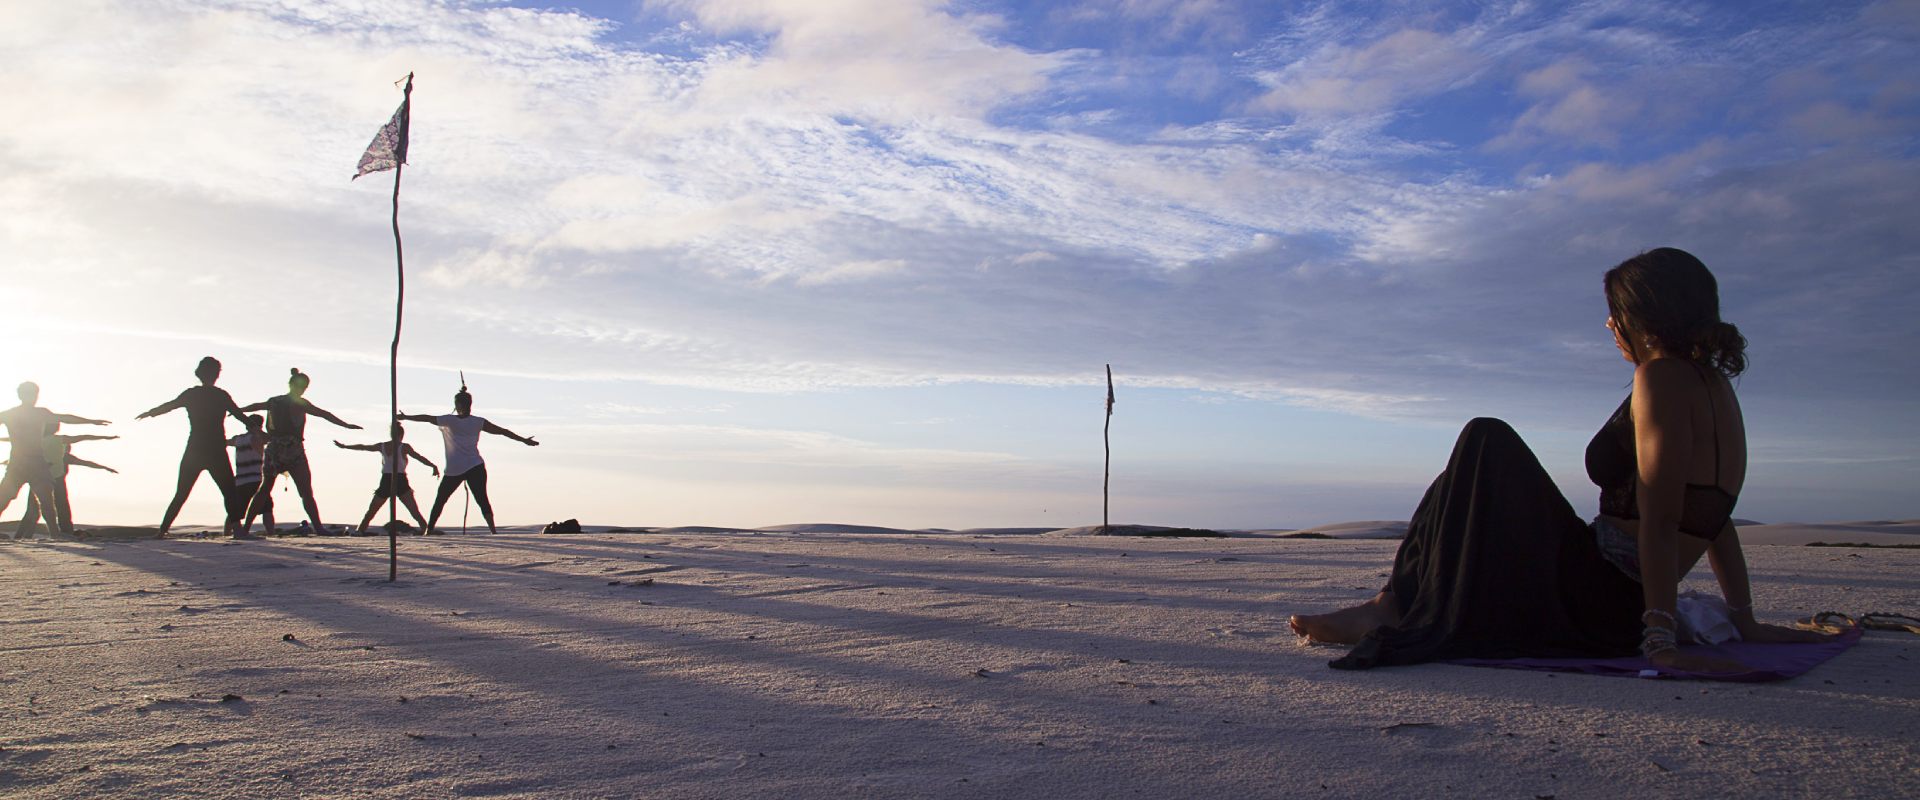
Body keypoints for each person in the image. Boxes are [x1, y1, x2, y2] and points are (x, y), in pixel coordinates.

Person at [1289, 248, 1835, 673]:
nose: (1608, 327)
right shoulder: (1713, 387)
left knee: (1486, 438)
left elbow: (1666, 517)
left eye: (1613, 314)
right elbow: (1717, 520)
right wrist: (1745, 620)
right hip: (1612, 589)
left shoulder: (1660, 377)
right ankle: (1390, 602)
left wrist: (1659, 637)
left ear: (1643, 319)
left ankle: (1391, 608)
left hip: (1603, 598)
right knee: (1459, 477)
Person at [399, 382, 537, 534]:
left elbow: (427, 418)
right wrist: (524, 440)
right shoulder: (475, 421)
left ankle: (431, 530)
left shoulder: (453, 420)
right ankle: (490, 530)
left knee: (451, 499)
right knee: (474, 499)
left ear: (459, 404)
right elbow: (502, 431)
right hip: (468, 467)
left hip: (468, 467)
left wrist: (406, 417)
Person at [236, 369, 360, 536]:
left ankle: (246, 528)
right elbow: (324, 414)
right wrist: (346, 425)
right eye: (302, 386)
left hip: (275, 448)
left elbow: (255, 406)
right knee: (302, 491)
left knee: (269, 489)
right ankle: (319, 528)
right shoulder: (297, 403)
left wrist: (238, 411)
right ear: (294, 385)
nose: (303, 389)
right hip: (290, 449)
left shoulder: (275, 401)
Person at [135, 357, 249, 536]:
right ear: (216, 374)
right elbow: (240, 415)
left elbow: (170, 406)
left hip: (195, 448)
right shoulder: (221, 395)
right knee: (229, 491)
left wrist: (151, 413)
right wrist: (257, 428)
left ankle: (162, 531)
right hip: (215, 450)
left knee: (182, 493)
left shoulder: (191, 394)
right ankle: (238, 530)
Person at [0, 382, 111, 538]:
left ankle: (55, 534)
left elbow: (65, 418)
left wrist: (91, 421)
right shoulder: (13, 414)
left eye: (34, 394)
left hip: (35, 463)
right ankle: (55, 534)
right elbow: (65, 418)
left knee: (45, 500)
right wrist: (91, 421)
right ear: (21, 395)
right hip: (20, 464)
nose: (33, 398)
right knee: (6, 497)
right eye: (30, 394)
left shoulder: (36, 413)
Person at [12, 421, 119, 538]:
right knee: (55, 509)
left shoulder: (45, 446)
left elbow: (86, 461)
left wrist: (105, 467)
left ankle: (24, 536)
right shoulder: (59, 449)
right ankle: (29, 535)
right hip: (50, 481)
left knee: (38, 510)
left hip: (42, 479)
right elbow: (84, 452)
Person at [335, 423, 440, 534]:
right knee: (409, 510)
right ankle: (360, 530)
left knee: (375, 510)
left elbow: (363, 447)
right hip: (391, 480)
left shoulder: (396, 447)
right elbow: (364, 447)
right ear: (401, 435)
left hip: (395, 480)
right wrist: (433, 466)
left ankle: (361, 529)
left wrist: (345, 446)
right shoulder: (396, 446)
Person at [228, 414, 273, 537]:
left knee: (236, 510)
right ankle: (271, 533)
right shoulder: (258, 438)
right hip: (256, 479)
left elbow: (226, 442)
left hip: (240, 479)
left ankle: (227, 533)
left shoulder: (238, 439)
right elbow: (271, 438)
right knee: (267, 507)